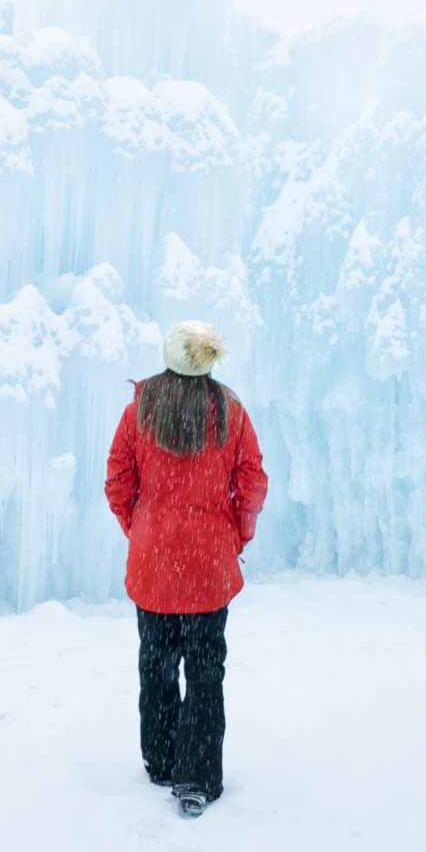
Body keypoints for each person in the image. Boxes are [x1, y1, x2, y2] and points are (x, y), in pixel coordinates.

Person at [104, 320, 269, 816]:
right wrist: (236, 533)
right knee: (204, 670)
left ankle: (159, 762)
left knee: (155, 665)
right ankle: (196, 776)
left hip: (153, 564)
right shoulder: (232, 413)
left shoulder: (138, 411)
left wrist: (140, 530)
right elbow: (253, 482)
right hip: (208, 566)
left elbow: (117, 481)